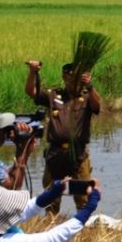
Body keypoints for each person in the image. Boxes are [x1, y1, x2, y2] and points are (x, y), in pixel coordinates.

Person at [24, 60, 100, 214]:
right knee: (50, 198)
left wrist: (90, 86)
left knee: (83, 197)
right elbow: (31, 91)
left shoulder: (86, 97)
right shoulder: (54, 95)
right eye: (68, 77)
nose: (71, 81)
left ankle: (84, 230)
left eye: (75, 78)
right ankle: (50, 227)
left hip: (78, 154)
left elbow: (97, 106)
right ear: (64, 77)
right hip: (55, 154)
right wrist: (33, 71)